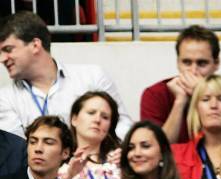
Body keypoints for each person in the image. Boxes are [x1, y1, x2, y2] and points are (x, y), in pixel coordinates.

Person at [0, 11, 132, 138]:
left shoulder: (93, 77)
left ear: (35, 45)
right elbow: (15, 149)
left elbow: (122, 126)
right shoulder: (5, 98)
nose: (2, 59)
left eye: (8, 50)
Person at [140, 25, 221, 144]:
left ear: (216, 63)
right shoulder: (155, 94)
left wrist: (203, 93)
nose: (193, 71)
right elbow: (155, 150)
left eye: (202, 63)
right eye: (187, 62)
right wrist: (179, 102)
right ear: (178, 62)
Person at [58, 91, 122, 179]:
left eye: (105, 117)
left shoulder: (121, 160)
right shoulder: (56, 159)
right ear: (74, 119)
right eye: (91, 113)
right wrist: (69, 175)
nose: (97, 120)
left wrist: (130, 162)